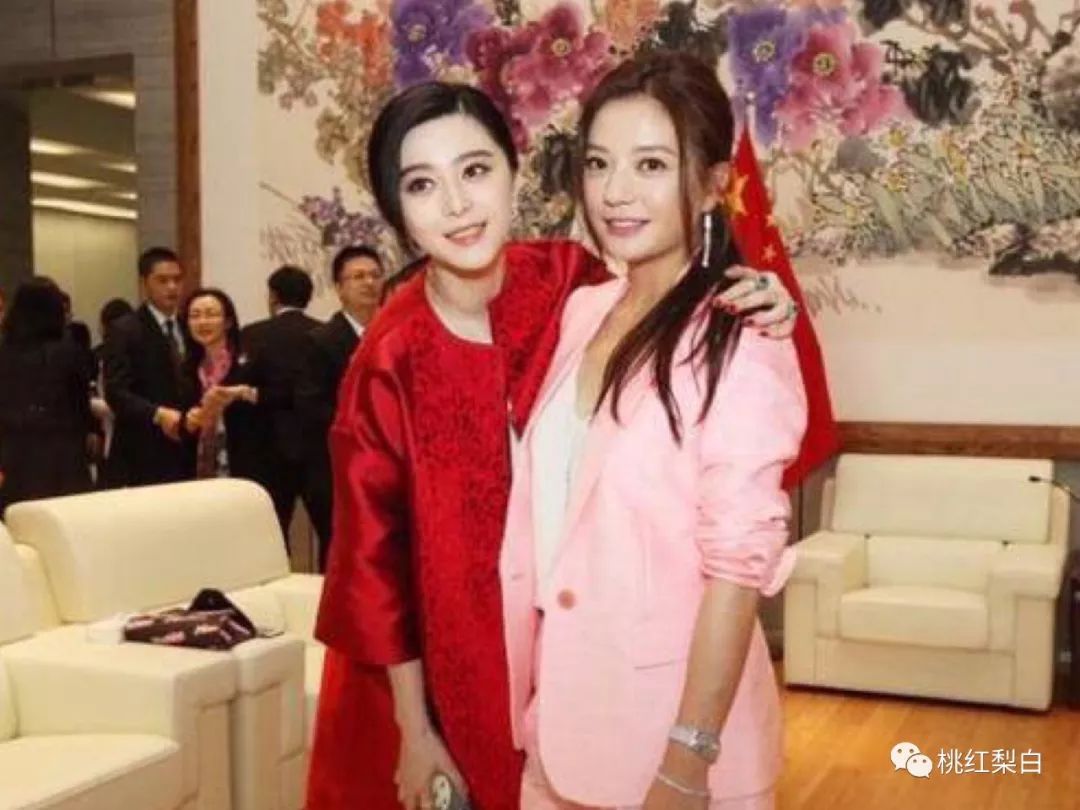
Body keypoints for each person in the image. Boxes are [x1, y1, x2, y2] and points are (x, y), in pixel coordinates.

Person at [308, 81, 801, 810]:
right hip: (480, 678)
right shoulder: (396, 357)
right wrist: (414, 727)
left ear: (515, 173)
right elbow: (371, 561)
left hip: (634, 704)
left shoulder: (564, 283)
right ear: (396, 211)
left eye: (475, 170)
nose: (456, 204)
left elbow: (678, 307)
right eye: (422, 185)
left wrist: (763, 298)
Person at [504, 52, 806, 810]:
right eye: (598, 162)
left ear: (711, 183)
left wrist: (686, 763)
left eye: (650, 164)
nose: (615, 192)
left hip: (671, 749)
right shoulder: (580, 311)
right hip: (557, 727)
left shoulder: (739, 333)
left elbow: (737, 571)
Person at [298, 245, 386, 566]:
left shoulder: (396, 334)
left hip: (388, 470)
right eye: (358, 276)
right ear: (339, 288)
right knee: (344, 555)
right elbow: (310, 406)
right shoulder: (320, 341)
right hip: (339, 472)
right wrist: (363, 426)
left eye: (375, 275)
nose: (369, 283)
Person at [241, 265, 324, 544]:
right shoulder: (324, 333)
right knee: (330, 532)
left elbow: (243, 383)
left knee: (272, 535)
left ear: (273, 296)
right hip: (317, 447)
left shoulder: (253, 334)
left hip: (268, 447)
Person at [0, 278, 93, 514]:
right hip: (64, 455)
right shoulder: (69, 351)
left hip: (15, 454)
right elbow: (80, 406)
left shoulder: (5, 352)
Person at [102, 247, 192, 485]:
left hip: (186, 450)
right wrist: (157, 414)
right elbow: (116, 391)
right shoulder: (125, 329)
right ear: (144, 284)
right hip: (143, 450)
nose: (172, 287)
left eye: (177, 280)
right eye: (163, 280)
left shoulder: (189, 325)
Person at [177, 287, 271, 484]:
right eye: (195, 316)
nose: (203, 322)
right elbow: (183, 424)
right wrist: (189, 421)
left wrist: (243, 393)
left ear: (228, 322)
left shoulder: (251, 357)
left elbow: (279, 397)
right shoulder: (186, 369)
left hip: (249, 466)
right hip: (200, 470)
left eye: (211, 314)